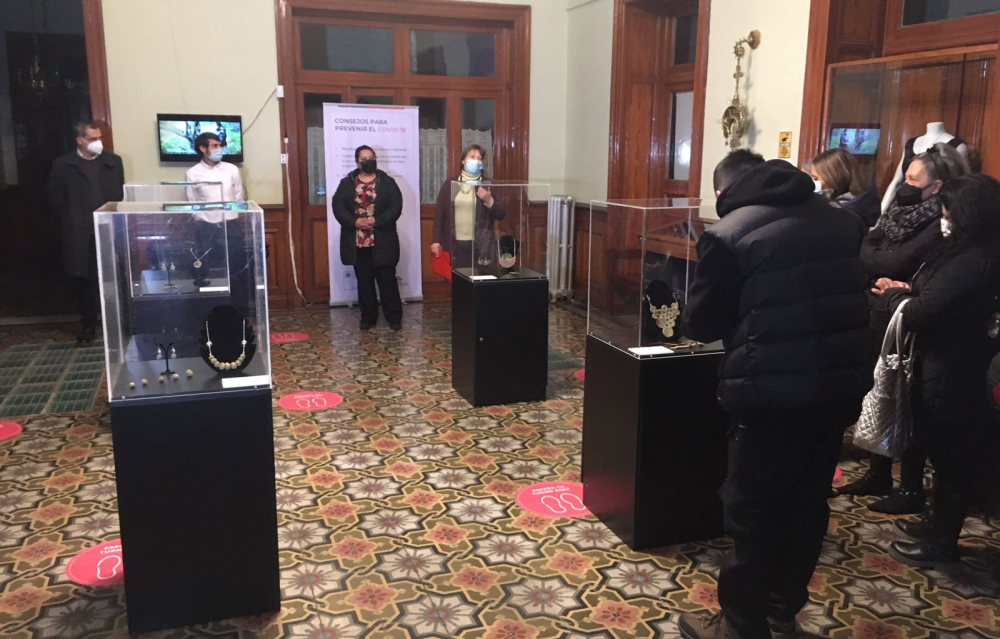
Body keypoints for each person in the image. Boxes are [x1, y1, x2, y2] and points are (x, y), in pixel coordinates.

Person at [677, 150, 872, 639]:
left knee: (752, 512)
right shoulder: (842, 222)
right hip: (836, 388)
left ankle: (740, 626)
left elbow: (702, 324)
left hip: (768, 393)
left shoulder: (729, 234)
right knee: (807, 504)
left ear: (722, 192)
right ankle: (782, 613)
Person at [870, 174, 1000, 567]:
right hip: (944, 364)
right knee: (943, 457)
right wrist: (908, 291)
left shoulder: (976, 259)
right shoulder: (966, 250)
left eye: (947, 213)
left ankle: (941, 545)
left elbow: (926, 312)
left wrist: (895, 296)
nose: (943, 219)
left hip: (953, 371)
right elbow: (934, 294)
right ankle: (934, 526)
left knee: (952, 462)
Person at [838, 143, 970, 515]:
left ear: (936, 187)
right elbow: (867, 247)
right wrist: (880, 259)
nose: (904, 185)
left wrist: (883, 262)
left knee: (905, 400)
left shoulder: (940, 223)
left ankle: (910, 487)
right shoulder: (897, 211)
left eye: (913, 180)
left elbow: (899, 261)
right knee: (878, 392)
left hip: (910, 318)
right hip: (880, 312)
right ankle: (877, 472)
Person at [47, 120, 125, 344]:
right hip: (81, 232)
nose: (98, 142)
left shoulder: (112, 161)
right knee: (85, 281)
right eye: (93, 139)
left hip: (110, 228)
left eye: (99, 137)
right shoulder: (63, 165)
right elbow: (55, 199)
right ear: (79, 140)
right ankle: (88, 325)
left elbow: (120, 193)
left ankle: (120, 324)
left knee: (116, 278)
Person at [332, 145, 404, 331]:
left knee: (387, 280)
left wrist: (376, 220)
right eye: (364, 159)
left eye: (371, 158)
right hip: (358, 240)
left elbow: (396, 206)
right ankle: (368, 317)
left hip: (383, 239)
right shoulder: (347, 183)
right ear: (357, 162)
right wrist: (354, 222)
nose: (368, 161)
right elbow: (338, 206)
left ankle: (394, 317)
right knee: (364, 281)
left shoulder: (387, 182)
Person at [430, 144, 505, 269]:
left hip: (480, 245)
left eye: (479, 158)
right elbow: (439, 215)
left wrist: (489, 200)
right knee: (457, 279)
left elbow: (501, 213)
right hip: (455, 244)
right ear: (463, 161)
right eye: (472, 156)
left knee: (481, 278)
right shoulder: (450, 184)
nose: (476, 161)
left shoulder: (488, 184)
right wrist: (436, 241)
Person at [810, 148, 880, 227]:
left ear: (833, 178)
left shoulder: (842, 212)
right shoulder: (863, 201)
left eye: (816, 179)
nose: (812, 182)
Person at [185, 132, 243, 202]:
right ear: (203, 148)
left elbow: (238, 197)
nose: (219, 149)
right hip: (206, 210)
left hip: (230, 209)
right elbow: (192, 201)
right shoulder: (192, 173)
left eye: (220, 145)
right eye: (215, 146)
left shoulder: (232, 169)